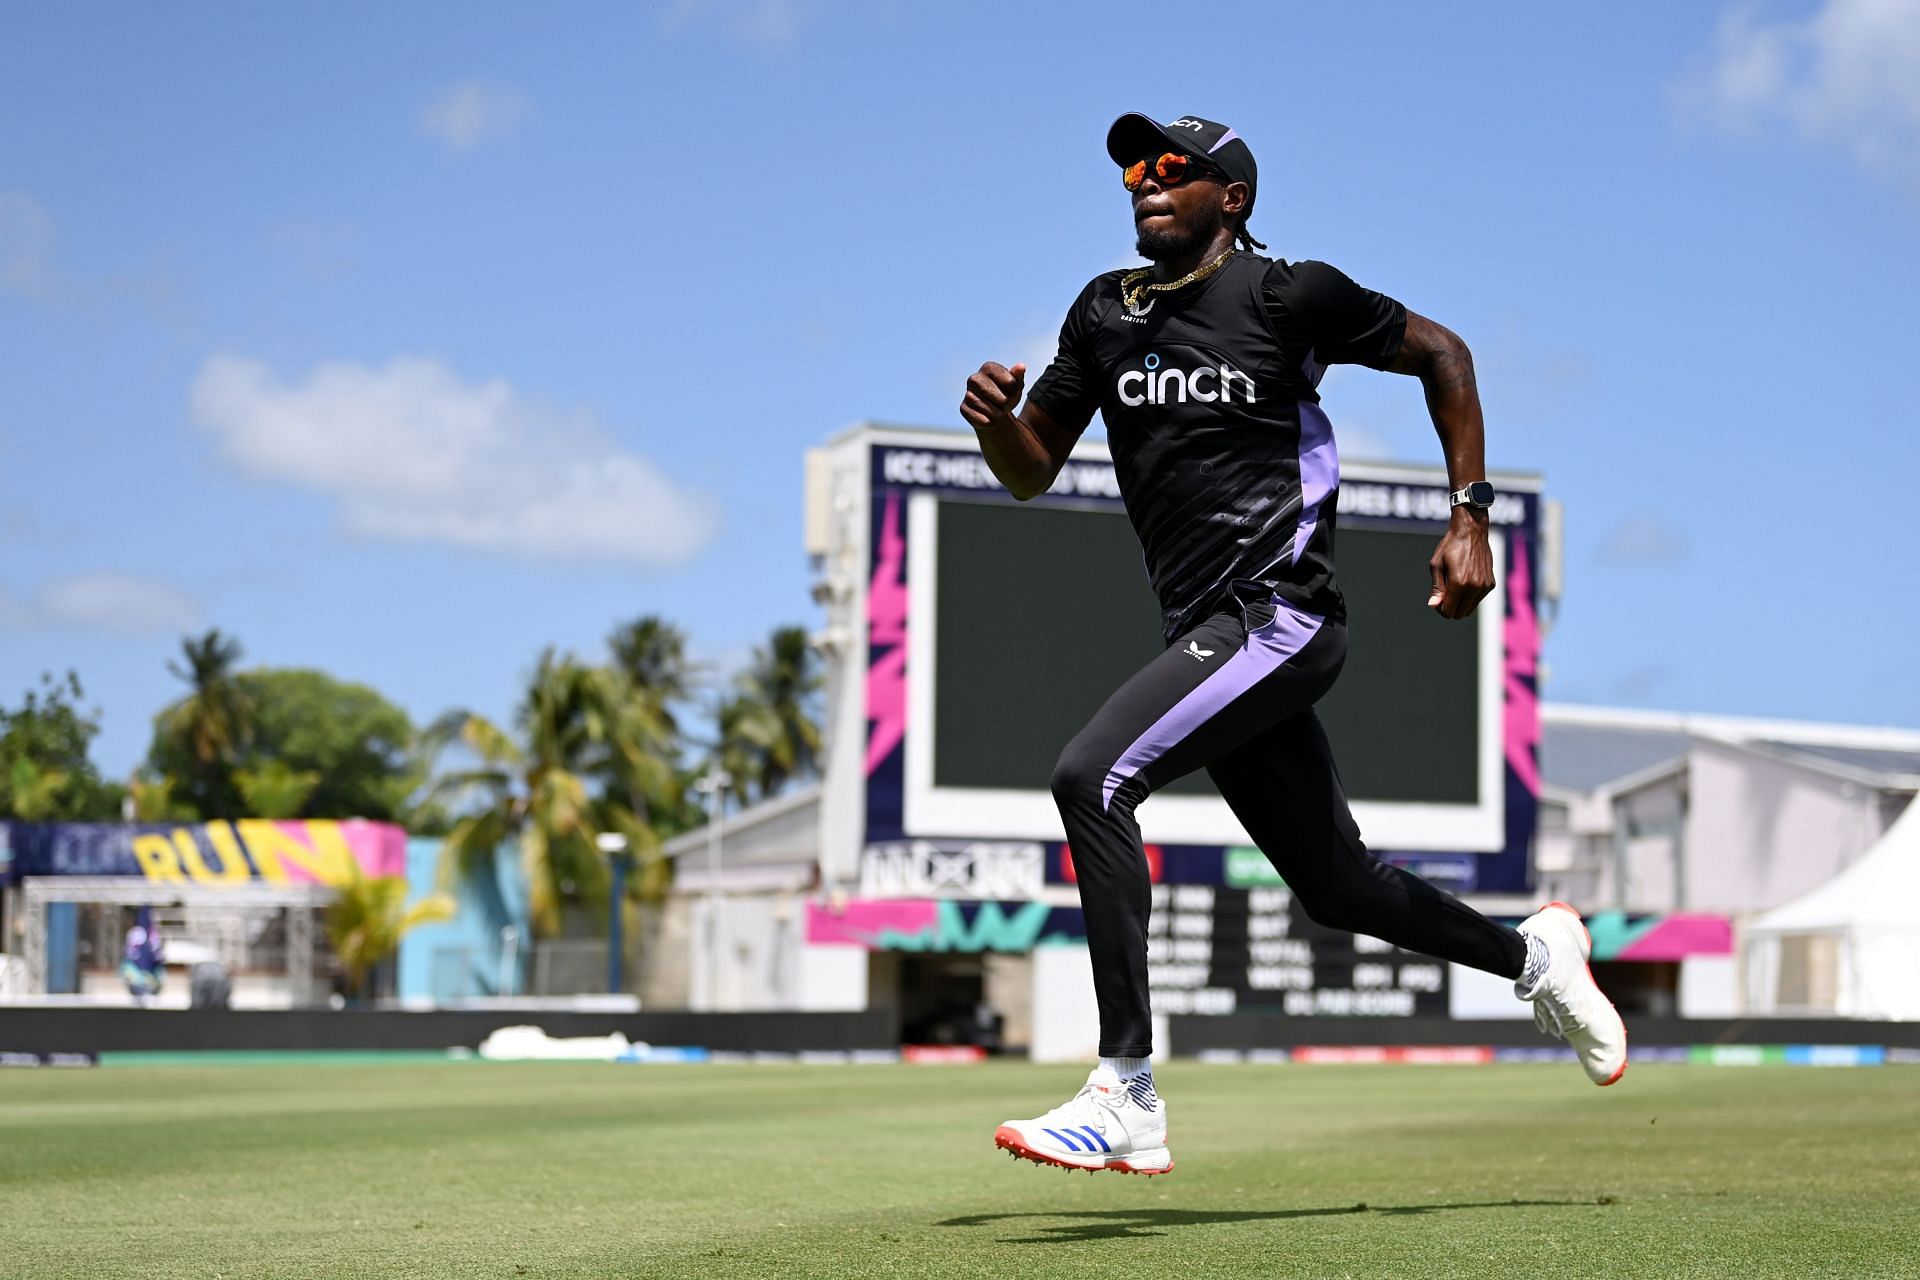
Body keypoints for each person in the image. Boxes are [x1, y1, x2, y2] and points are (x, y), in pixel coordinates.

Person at [961, 112, 1626, 1177]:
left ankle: (1125, 1088)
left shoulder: (1288, 294)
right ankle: (1536, 954)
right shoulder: (1102, 311)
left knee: (1092, 773)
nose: (1146, 182)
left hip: (1280, 616)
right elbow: (1034, 463)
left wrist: (1471, 516)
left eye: (1174, 169)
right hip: (1209, 635)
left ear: (1234, 198)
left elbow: (1443, 352)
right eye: (1134, 168)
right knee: (1338, 885)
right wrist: (996, 420)